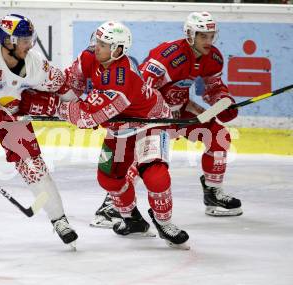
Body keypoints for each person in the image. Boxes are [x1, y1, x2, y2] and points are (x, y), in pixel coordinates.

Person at [23, 21, 191, 249]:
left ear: (118, 50)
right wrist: (41, 89)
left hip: (149, 121)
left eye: (103, 44)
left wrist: (49, 106)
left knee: (155, 175)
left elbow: (86, 117)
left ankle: (164, 222)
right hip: (121, 125)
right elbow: (70, 85)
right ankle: (132, 220)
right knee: (109, 178)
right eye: (97, 41)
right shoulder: (90, 57)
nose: (96, 46)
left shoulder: (122, 79)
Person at [92, 12, 243, 226]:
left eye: (211, 36)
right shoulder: (169, 56)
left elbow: (214, 88)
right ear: (190, 35)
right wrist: (155, 115)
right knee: (140, 160)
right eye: (203, 36)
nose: (208, 41)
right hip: (152, 117)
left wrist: (224, 101)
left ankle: (213, 192)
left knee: (219, 136)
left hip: (180, 112)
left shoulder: (213, 57)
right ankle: (112, 205)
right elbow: (140, 88)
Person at [0, 14, 78, 247]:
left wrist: (78, 112)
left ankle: (59, 219)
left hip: (9, 115)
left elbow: (63, 88)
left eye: (30, 39)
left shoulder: (37, 65)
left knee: (33, 166)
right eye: (24, 40)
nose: (30, 44)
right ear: (8, 41)